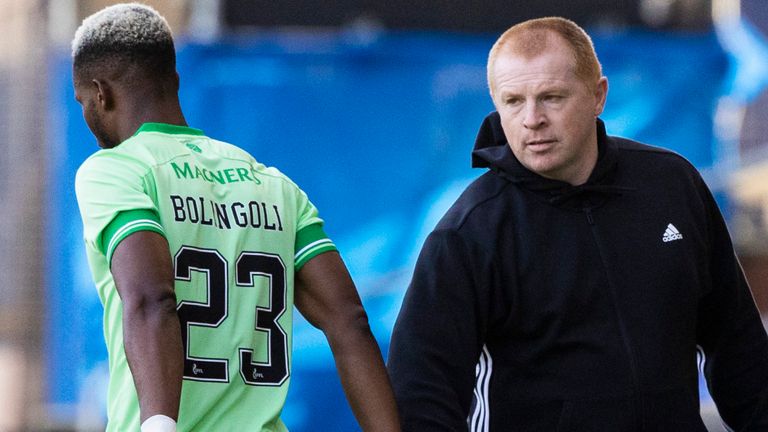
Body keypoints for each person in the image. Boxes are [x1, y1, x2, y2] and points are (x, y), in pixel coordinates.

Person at [387, 16, 768, 431]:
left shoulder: (671, 184)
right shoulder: (469, 231)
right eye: (513, 101)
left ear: (598, 95)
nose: (532, 119)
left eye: (551, 97)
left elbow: (737, 345)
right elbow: (421, 393)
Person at [72, 4, 399, 431]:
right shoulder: (273, 184)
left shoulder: (115, 170)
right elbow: (349, 322)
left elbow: (153, 299)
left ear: (101, 93)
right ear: (173, 80)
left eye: (82, 101)